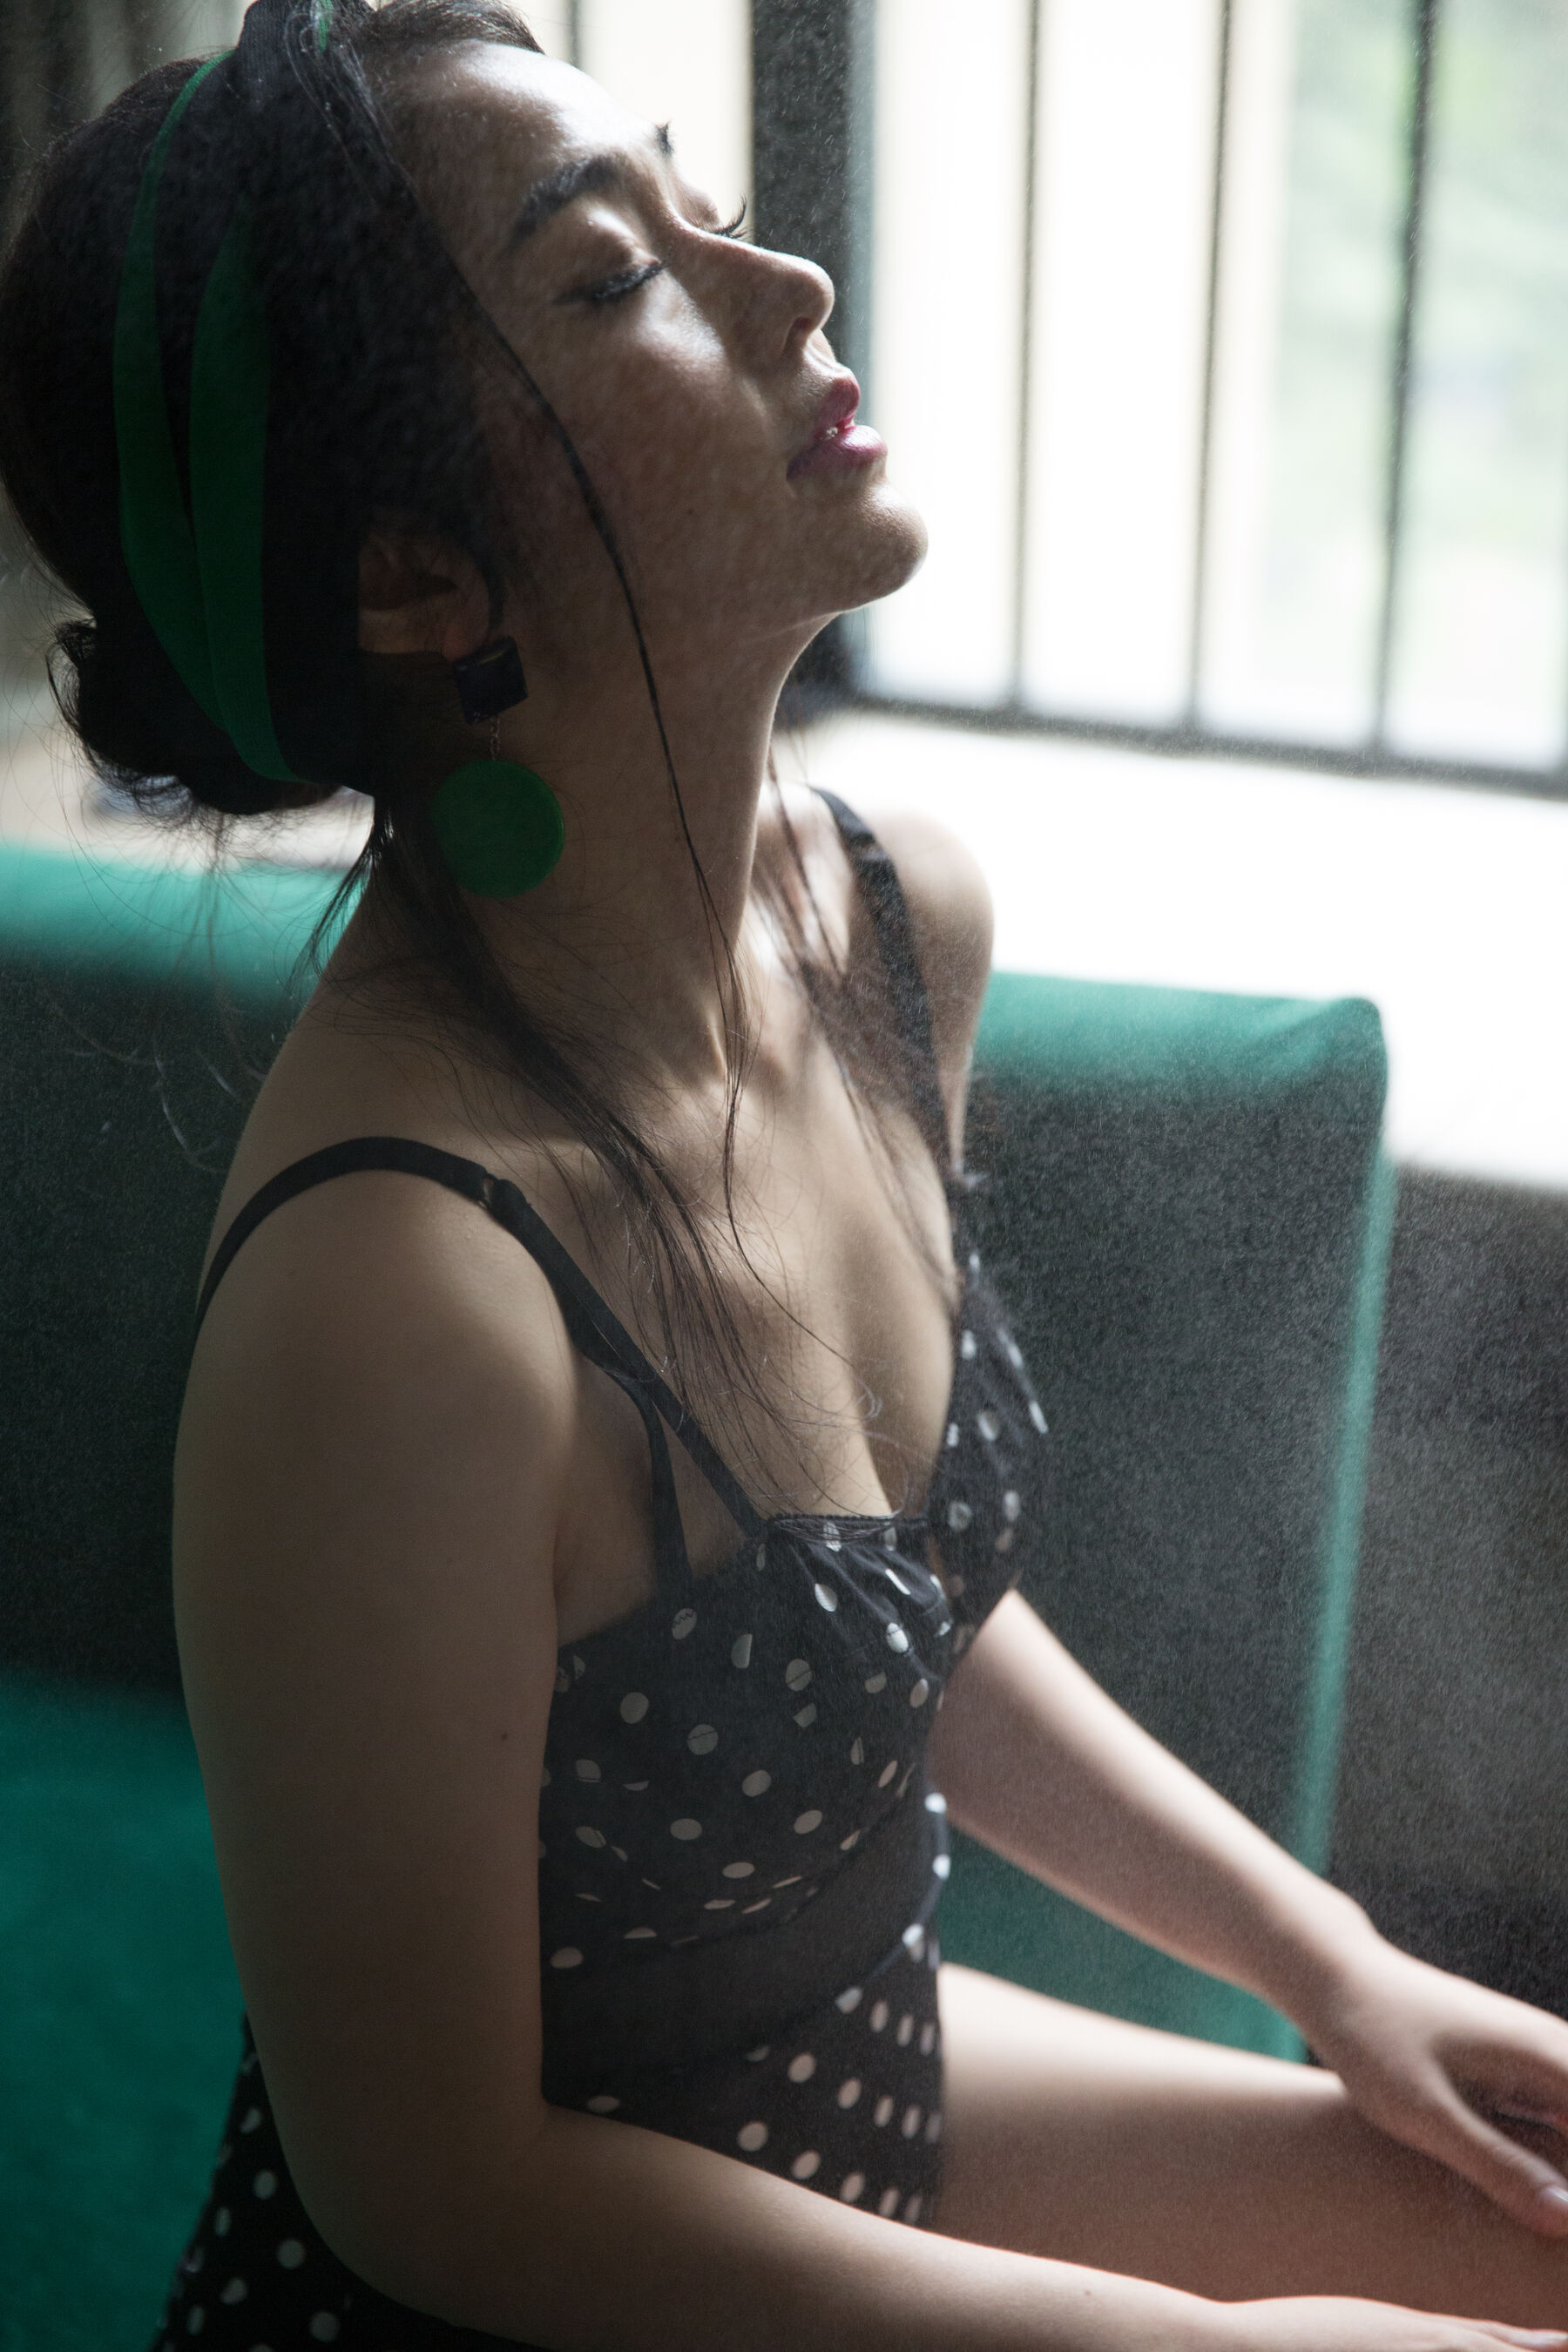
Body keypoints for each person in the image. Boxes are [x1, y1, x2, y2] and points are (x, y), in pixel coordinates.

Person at [1, 3, 1565, 2345]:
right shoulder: (399, 1298)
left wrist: (1328, 1960)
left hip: (853, 2083)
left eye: (705, 202)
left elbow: (881, 1605)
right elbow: (437, 2187)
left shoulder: (888, 925)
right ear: (418, 579)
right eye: (617, 271)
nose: (788, 282)